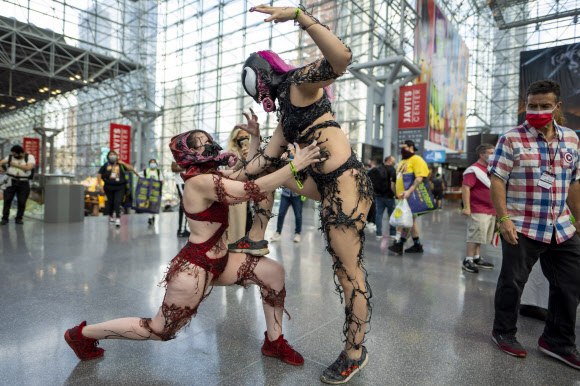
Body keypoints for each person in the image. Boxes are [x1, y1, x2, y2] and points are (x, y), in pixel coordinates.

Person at [64, 129, 322, 367]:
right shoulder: (198, 182)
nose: (210, 145)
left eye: (208, 140)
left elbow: (246, 173)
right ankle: (81, 334)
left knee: (273, 273)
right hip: (195, 268)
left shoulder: (211, 176)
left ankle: (274, 343)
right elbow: (249, 190)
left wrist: (253, 139)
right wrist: (295, 166)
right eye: (202, 145)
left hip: (221, 260)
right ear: (190, 155)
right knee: (159, 330)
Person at [229, 6, 373, 383]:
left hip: (345, 185)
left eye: (253, 81)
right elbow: (262, 163)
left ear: (263, 74)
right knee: (275, 177)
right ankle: (255, 238)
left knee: (349, 275)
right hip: (322, 184)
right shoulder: (286, 115)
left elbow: (341, 58)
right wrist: (226, 169)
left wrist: (298, 14)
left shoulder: (299, 83)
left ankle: (355, 351)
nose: (255, 88)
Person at [488, 79, 580, 369]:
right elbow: (497, 179)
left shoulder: (572, 140)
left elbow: (574, 184)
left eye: (544, 106)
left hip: (561, 227)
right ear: (524, 105)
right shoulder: (511, 139)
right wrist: (503, 219)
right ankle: (503, 331)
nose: (537, 110)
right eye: (532, 106)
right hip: (522, 225)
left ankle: (557, 340)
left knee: (570, 285)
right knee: (512, 282)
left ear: (557, 107)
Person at [388, 140, 429, 255]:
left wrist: (409, 191)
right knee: (412, 221)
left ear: (411, 147)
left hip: (412, 197)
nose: (402, 150)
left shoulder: (417, 160)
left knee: (408, 221)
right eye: (401, 147)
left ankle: (400, 244)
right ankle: (417, 245)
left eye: (404, 147)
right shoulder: (402, 162)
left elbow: (419, 178)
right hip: (402, 198)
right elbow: (398, 179)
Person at [460, 144, 496, 273]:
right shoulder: (473, 170)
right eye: (491, 152)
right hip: (478, 209)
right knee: (474, 235)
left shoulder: (490, 169)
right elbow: (465, 188)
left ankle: (476, 257)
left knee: (480, 236)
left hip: (491, 210)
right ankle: (468, 259)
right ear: (482, 155)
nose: (494, 154)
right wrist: (467, 207)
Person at [225, 126, 253, 244]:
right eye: (240, 137)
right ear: (235, 138)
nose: (243, 139)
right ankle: (236, 246)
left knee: (249, 222)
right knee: (238, 224)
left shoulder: (252, 150)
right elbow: (231, 171)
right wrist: (242, 158)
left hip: (250, 191)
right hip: (236, 192)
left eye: (246, 136)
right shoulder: (230, 153)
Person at [97, 151, 138, 227]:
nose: (112, 156)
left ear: (116, 156)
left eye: (114, 155)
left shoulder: (120, 165)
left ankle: (118, 218)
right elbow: (99, 175)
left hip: (120, 187)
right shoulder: (105, 165)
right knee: (110, 202)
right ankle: (111, 216)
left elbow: (131, 169)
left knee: (117, 201)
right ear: (108, 157)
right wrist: (100, 185)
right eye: (110, 155)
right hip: (108, 186)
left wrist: (123, 163)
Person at [272, 148, 304, 244]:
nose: (290, 153)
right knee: (281, 214)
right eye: (289, 151)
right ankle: (278, 232)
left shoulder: (299, 162)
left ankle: (297, 233)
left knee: (298, 215)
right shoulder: (284, 161)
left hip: (297, 195)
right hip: (285, 194)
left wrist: (292, 159)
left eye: (292, 151)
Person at [0, 145, 36, 225]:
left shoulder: (30, 157)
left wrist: (15, 164)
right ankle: (5, 218)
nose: (14, 156)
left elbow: (28, 167)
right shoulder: (10, 157)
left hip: (23, 182)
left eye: (15, 154)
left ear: (21, 153)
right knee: (7, 200)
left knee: (22, 201)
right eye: (12, 154)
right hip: (10, 181)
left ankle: (19, 218)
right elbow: (1, 162)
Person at [368, 156, 397, 240]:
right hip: (390, 196)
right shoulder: (392, 170)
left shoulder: (378, 168)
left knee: (379, 215)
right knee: (391, 215)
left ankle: (378, 234)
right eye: (393, 160)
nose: (394, 162)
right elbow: (392, 184)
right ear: (389, 161)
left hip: (379, 195)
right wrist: (395, 194)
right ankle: (392, 233)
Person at [141, 158, 164, 225]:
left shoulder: (158, 172)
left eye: (154, 162)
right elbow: (140, 177)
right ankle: (150, 217)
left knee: (154, 204)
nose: (152, 164)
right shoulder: (146, 171)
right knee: (149, 203)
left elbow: (162, 180)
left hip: (156, 191)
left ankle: (153, 216)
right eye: (151, 162)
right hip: (148, 190)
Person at [172, 161, 189, 237]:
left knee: (186, 205)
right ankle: (181, 230)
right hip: (181, 182)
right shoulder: (177, 153)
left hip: (188, 182)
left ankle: (183, 228)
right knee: (185, 204)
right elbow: (173, 168)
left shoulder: (190, 152)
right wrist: (185, 166)